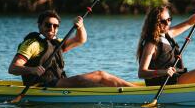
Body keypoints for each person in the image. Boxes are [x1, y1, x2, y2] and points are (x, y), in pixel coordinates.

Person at [9, 10, 137, 88]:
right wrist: (32, 70)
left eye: (55, 26)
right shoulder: (32, 44)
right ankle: (137, 91)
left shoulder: (56, 43)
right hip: (42, 86)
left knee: (99, 82)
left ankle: (133, 89)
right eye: (48, 25)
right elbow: (13, 68)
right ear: (40, 26)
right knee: (101, 75)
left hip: (58, 83)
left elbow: (80, 39)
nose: (52, 29)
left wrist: (80, 26)